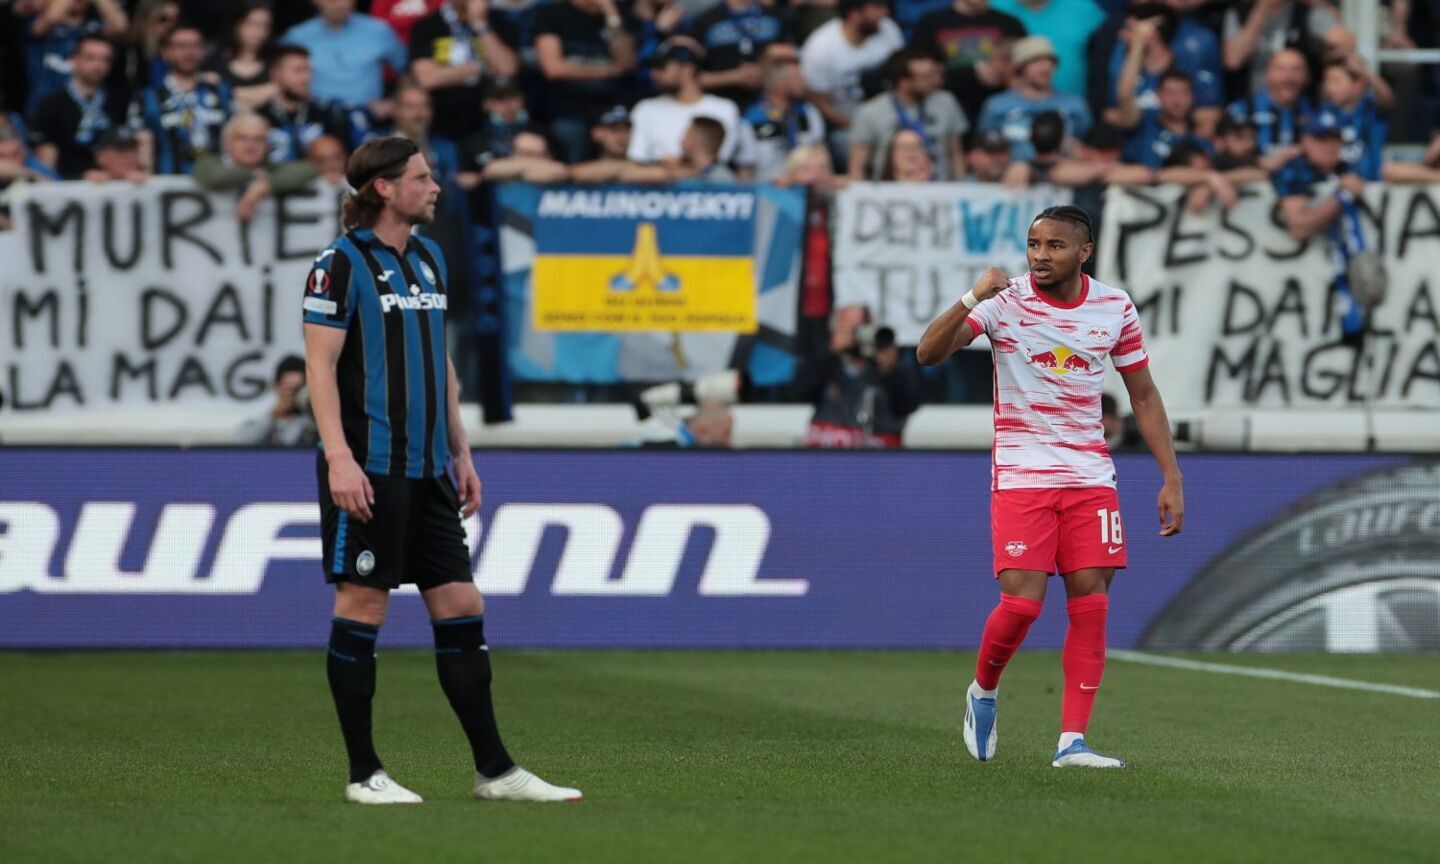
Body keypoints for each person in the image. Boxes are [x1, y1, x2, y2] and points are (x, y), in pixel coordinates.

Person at [303, 135, 582, 804]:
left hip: (430, 467)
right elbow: (318, 367)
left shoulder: (428, 258)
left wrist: (462, 451)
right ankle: (363, 773)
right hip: (370, 466)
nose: (434, 188)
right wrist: (340, 459)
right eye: (422, 178)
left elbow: (442, 363)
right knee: (363, 604)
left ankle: (495, 771)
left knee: (461, 604)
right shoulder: (337, 266)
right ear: (383, 189)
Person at [915, 205, 1185, 769]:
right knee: (1021, 605)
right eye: (1034, 244)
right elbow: (928, 354)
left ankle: (1072, 744)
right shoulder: (1004, 301)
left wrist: (1170, 476)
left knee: (1091, 603)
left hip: (1090, 477)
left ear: (1083, 251)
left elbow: (1144, 394)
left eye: (1055, 246)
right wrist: (970, 298)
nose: (1040, 255)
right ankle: (983, 692)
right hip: (1022, 474)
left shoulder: (1114, 306)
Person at [1274, 114, 1370, 342]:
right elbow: (1299, 227)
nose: (1329, 147)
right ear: (1305, 142)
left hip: (1341, 287)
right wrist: (1342, 196)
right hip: (1294, 287)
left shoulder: (1347, 169)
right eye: (1321, 140)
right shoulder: (1293, 170)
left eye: (1334, 140)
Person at [799, 0, 905, 163]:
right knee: (845, 143)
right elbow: (820, 103)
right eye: (877, 7)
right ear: (854, 15)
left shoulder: (888, 29)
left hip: (892, 115)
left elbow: (902, 78)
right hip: (846, 123)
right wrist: (859, 126)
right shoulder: (820, 47)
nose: (885, 12)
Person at [533, 0, 637, 163]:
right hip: (570, 110)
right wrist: (608, 70)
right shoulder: (552, 14)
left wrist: (612, 17)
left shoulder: (618, 12)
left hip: (612, 108)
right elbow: (554, 68)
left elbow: (626, 62)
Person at [849, 46, 967, 181]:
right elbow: (858, 167)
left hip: (940, 191)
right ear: (904, 83)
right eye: (926, 77)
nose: (936, 81)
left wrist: (960, 188)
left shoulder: (947, 102)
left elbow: (956, 154)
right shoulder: (869, 112)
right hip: (888, 193)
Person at [409, 0, 520, 142]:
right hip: (443, 121)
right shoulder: (427, 26)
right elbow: (427, 78)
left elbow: (507, 68)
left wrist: (480, 24)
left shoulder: (501, 21)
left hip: (491, 122)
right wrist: (483, 67)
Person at [131, 23, 233, 175]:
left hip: (219, 185)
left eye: (195, 46)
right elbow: (140, 146)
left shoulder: (222, 92)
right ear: (166, 52)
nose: (189, 52)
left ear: (203, 51)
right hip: (167, 185)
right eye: (181, 46)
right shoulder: (147, 98)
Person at [30, 34, 129, 179]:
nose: (99, 65)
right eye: (91, 58)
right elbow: (47, 157)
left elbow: (124, 147)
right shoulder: (51, 103)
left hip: (112, 182)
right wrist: (76, 177)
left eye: (105, 60)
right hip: (69, 184)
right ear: (73, 59)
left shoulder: (119, 100)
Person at [976, 35, 1090, 161]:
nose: (1045, 68)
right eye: (1036, 62)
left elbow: (1089, 150)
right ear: (1020, 68)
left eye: (1050, 62)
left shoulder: (1075, 104)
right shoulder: (996, 105)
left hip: (1061, 174)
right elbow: (982, 151)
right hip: (1011, 177)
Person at [627, 41, 741, 166]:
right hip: (654, 183)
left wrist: (674, 165)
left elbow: (720, 158)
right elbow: (637, 157)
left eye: (662, 67)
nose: (654, 74)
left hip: (708, 183)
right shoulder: (645, 108)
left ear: (688, 69)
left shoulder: (724, 108)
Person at [282, 0, 409, 110]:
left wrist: (393, 103)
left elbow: (408, 71)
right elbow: (280, 77)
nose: (341, 4)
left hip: (369, 118)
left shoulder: (378, 30)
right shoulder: (296, 37)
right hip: (316, 115)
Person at [913, 0, 1023, 125]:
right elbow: (918, 67)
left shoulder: (1010, 23)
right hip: (946, 109)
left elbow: (1025, 68)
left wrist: (1002, 76)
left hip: (1002, 111)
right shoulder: (931, 22)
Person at [194, 113, 320, 221]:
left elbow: (309, 169)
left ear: (268, 145)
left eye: (259, 139)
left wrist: (263, 187)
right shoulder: (210, 163)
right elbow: (216, 178)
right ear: (227, 142)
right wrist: (252, 174)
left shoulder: (269, 167)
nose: (251, 145)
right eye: (242, 138)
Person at [736, 46, 826, 183]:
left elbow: (822, 153)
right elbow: (745, 171)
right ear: (780, 85)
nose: (806, 81)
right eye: (798, 77)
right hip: (768, 191)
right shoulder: (751, 120)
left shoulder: (808, 112)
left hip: (808, 187)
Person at [25, 0, 129, 116]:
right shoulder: (38, 24)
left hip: (86, 110)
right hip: (43, 109)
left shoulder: (93, 29)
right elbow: (51, 19)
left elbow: (120, 27)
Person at [686, 0, 791, 107]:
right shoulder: (705, 21)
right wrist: (734, 77)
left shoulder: (775, 16)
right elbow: (690, 78)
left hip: (770, 105)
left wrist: (764, 68)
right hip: (720, 106)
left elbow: (792, 60)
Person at [990, 0, 1105, 97]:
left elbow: (1111, 48)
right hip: (1011, 108)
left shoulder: (1083, 8)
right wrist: (985, 68)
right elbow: (976, 45)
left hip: (1072, 109)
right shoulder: (994, 5)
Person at [258, 45, 352, 163]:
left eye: (308, 70)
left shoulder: (326, 114)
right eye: (298, 70)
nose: (306, 78)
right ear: (275, 75)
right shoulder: (259, 117)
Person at [1223, 0, 1337, 96]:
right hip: (1252, 103)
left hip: (1298, 104)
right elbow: (1234, 60)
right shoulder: (1239, 12)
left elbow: (1343, 40)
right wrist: (1261, 10)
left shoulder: (1306, 11)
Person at [1223, 48, 1314, 158]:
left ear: (1307, 76)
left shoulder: (1316, 112)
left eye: (1296, 70)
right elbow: (1226, 158)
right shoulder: (1241, 111)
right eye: (1280, 69)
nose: (1288, 77)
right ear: (1267, 74)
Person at [1316, 56, 1390, 182]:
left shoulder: (1371, 108)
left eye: (1336, 81)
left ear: (1358, 84)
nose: (1329, 87)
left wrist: (1364, 72)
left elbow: (1387, 97)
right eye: (1326, 81)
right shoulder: (1323, 112)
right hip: (1333, 185)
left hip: (1370, 185)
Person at [204, 1, 275, 111]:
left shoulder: (276, 62)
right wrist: (264, 91)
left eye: (264, 26)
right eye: (251, 24)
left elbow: (280, 90)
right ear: (237, 25)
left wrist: (226, 90)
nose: (258, 31)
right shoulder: (214, 62)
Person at [621, 115, 736, 182]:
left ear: (694, 141)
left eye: (686, 135)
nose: (680, 140)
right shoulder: (679, 169)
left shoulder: (722, 178)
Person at [236, 355, 318, 446]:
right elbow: (243, 441)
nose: (294, 394)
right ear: (275, 386)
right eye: (289, 387)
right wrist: (273, 414)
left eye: (299, 388)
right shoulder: (267, 421)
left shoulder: (314, 423)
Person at [568, 104, 634, 183]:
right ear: (596, 133)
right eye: (614, 129)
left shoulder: (645, 162)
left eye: (626, 129)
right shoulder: (581, 164)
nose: (621, 135)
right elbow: (576, 174)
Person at [82, 126, 150, 182]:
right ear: (100, 156)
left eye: (134, 149)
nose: (129, 155)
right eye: (121, 150)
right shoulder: (85, 184)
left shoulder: (151, 181)